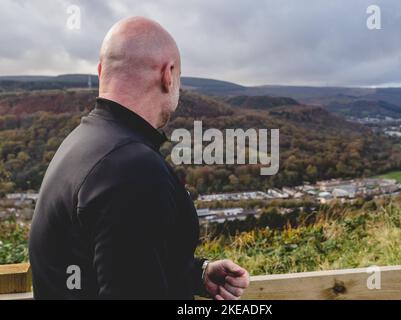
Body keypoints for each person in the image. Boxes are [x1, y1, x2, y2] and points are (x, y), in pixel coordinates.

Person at [29, 16, 250, 300]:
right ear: (168, 75)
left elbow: (113, 264)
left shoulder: (82, 144)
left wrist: (194, 274)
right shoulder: (132, 168)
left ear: (101, 72)